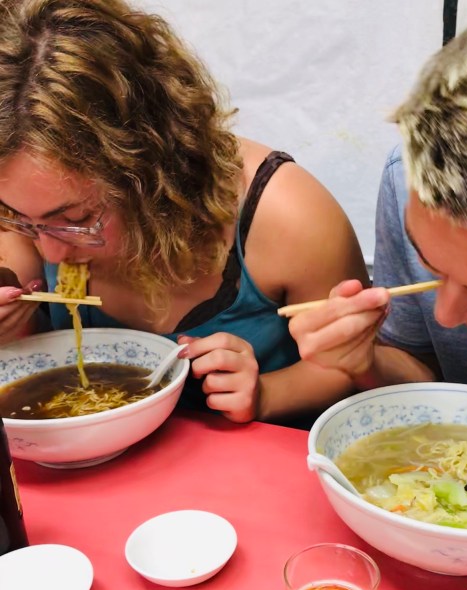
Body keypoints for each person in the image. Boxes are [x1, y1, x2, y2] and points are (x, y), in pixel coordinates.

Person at [0, 0, 369, 426]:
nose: (50, 252)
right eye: (18, 217)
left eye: (77, 220)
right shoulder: (27, 199)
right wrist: (15, 331)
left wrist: (265, 394)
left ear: (149, 169)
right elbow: (34, 345)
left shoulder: (286, 215)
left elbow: (353, 364)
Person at [289, 0, 467, 421]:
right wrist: (363, 361)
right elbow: (419, 366)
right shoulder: (407, 181)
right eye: (431, 265)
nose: (446, 316)